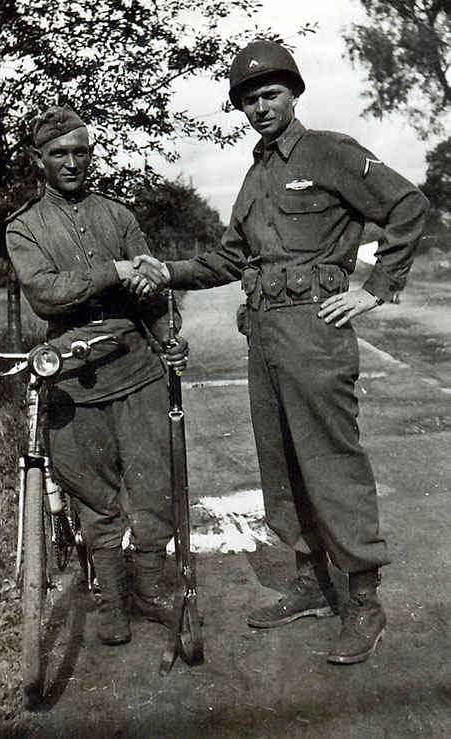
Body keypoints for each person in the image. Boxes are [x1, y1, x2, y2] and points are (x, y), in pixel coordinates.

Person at [133, 40, 429, 664]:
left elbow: (408, 206)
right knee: (282, 462)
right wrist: (167, 271)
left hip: (314, 332)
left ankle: (364, 601)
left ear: (293, 94)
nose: (260, 107)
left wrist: (376, 291)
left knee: (330, 461)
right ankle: (312, 583)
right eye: (248, 99)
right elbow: (232, 258)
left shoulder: (329, 151)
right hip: (263, 334)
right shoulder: (256, 171)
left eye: (270, 94)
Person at [6, 104, 188, 646]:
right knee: (93, 494)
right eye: (58, 154)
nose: (71, 161)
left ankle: (151, 590)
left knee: (154, 484)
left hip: (137, 369)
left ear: (92, 153)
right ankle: (112, 600)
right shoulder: (24, 228)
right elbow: (45, 293)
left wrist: (170, 340)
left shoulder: (119, 216)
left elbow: (154, 288)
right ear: (38, 161)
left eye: (80, 151)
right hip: (70, 375)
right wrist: (113, 272)